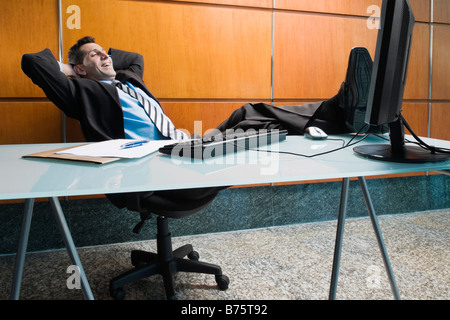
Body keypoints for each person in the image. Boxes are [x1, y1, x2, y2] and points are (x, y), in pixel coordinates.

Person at [21, 36, 373, 218]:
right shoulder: (81, 92)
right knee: (251, 125)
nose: (105, 56)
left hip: (184, 148)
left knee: (250, 112)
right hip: (149, 167)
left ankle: (341, 110)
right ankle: (340, 111)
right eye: (94, 56)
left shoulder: (130, 80)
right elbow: (34, 63)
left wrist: (98, 58)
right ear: (79, 70)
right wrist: (75, 68)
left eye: (104, 51)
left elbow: (131, 58)